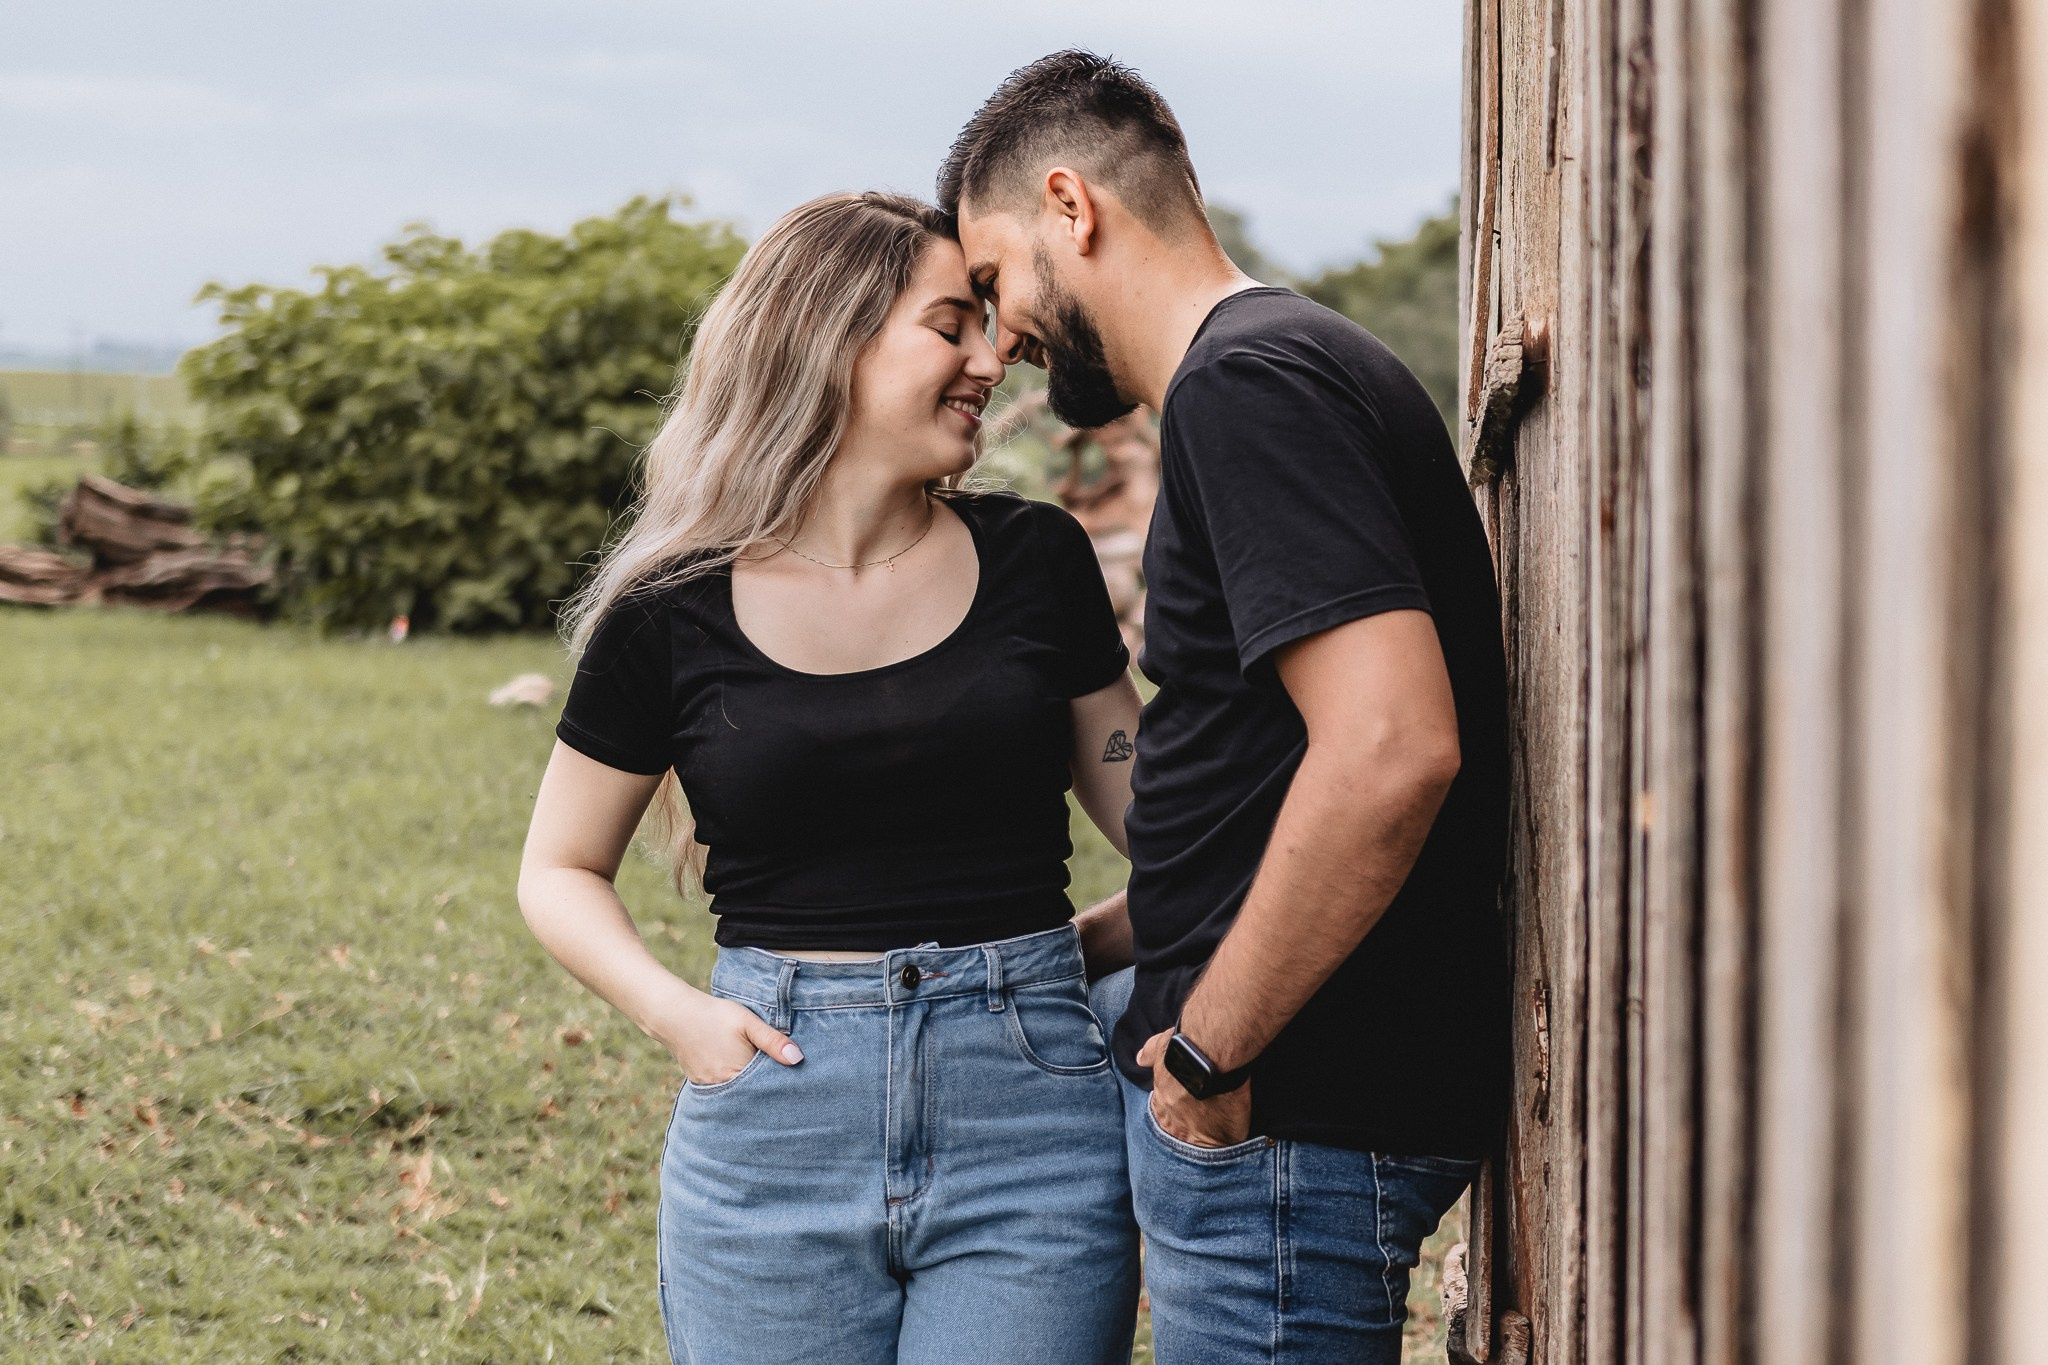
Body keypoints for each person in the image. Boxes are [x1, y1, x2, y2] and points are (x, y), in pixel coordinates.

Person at [942, 52, 1512, 1364]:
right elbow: (1277, 776)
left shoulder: (1243, 387)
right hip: (1289, 1107)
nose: (1000, 338)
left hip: (1287, 1117)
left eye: (992, 283)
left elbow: (1390, 749)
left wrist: (1207, 1056)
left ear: (1070, 207)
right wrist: (1108, 938)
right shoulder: (1288, 365)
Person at [516, 191, 1144, 1365]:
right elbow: (557, 868)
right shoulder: (671, 612)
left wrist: (1082, 947)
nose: (989, 357)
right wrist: (684, 1023)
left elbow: (1160, 829)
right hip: (772, 1127)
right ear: (830, 337)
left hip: (1029, 1121)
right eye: (950, 324)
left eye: (988, 328)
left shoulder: (1036, 562)